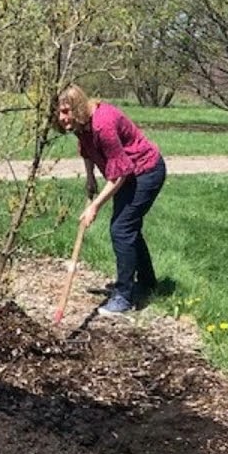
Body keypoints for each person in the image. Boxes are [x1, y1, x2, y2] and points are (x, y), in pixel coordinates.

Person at [54, 83, 167, 315]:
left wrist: (94, 207)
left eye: (65, 111)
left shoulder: (102, 124)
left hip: (145, 172)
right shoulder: (81, 124)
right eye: (58, 111)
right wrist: (90, 177)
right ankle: (147, 282)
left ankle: (124, 296)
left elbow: (120, 175)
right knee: (129, 228)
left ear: (77, 107)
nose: (61, 117)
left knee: (121, 229)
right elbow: (86, 149)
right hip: (129, 174)